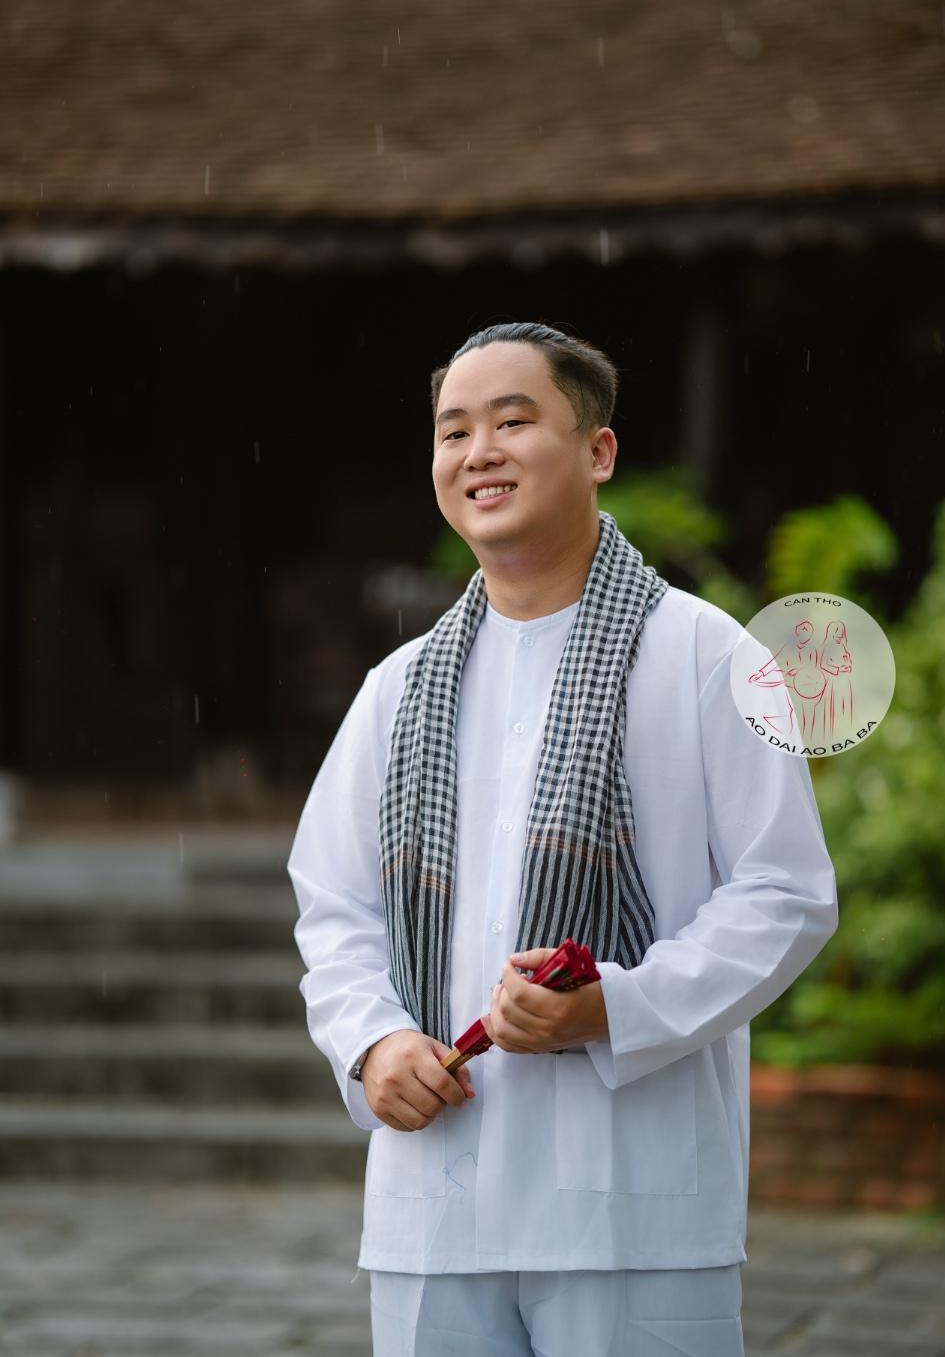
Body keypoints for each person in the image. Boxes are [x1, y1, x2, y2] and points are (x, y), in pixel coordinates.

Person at [288, 322, 839, 1356]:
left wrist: (613, 1007)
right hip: (433, 1203)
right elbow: (335, 904)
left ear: (599, 451)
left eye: (512, 421)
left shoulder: (710, 655)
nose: (478, 453)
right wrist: (372, 1042)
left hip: (633, 1203)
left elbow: (785, 891)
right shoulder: (397, 689)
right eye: (454, 431)